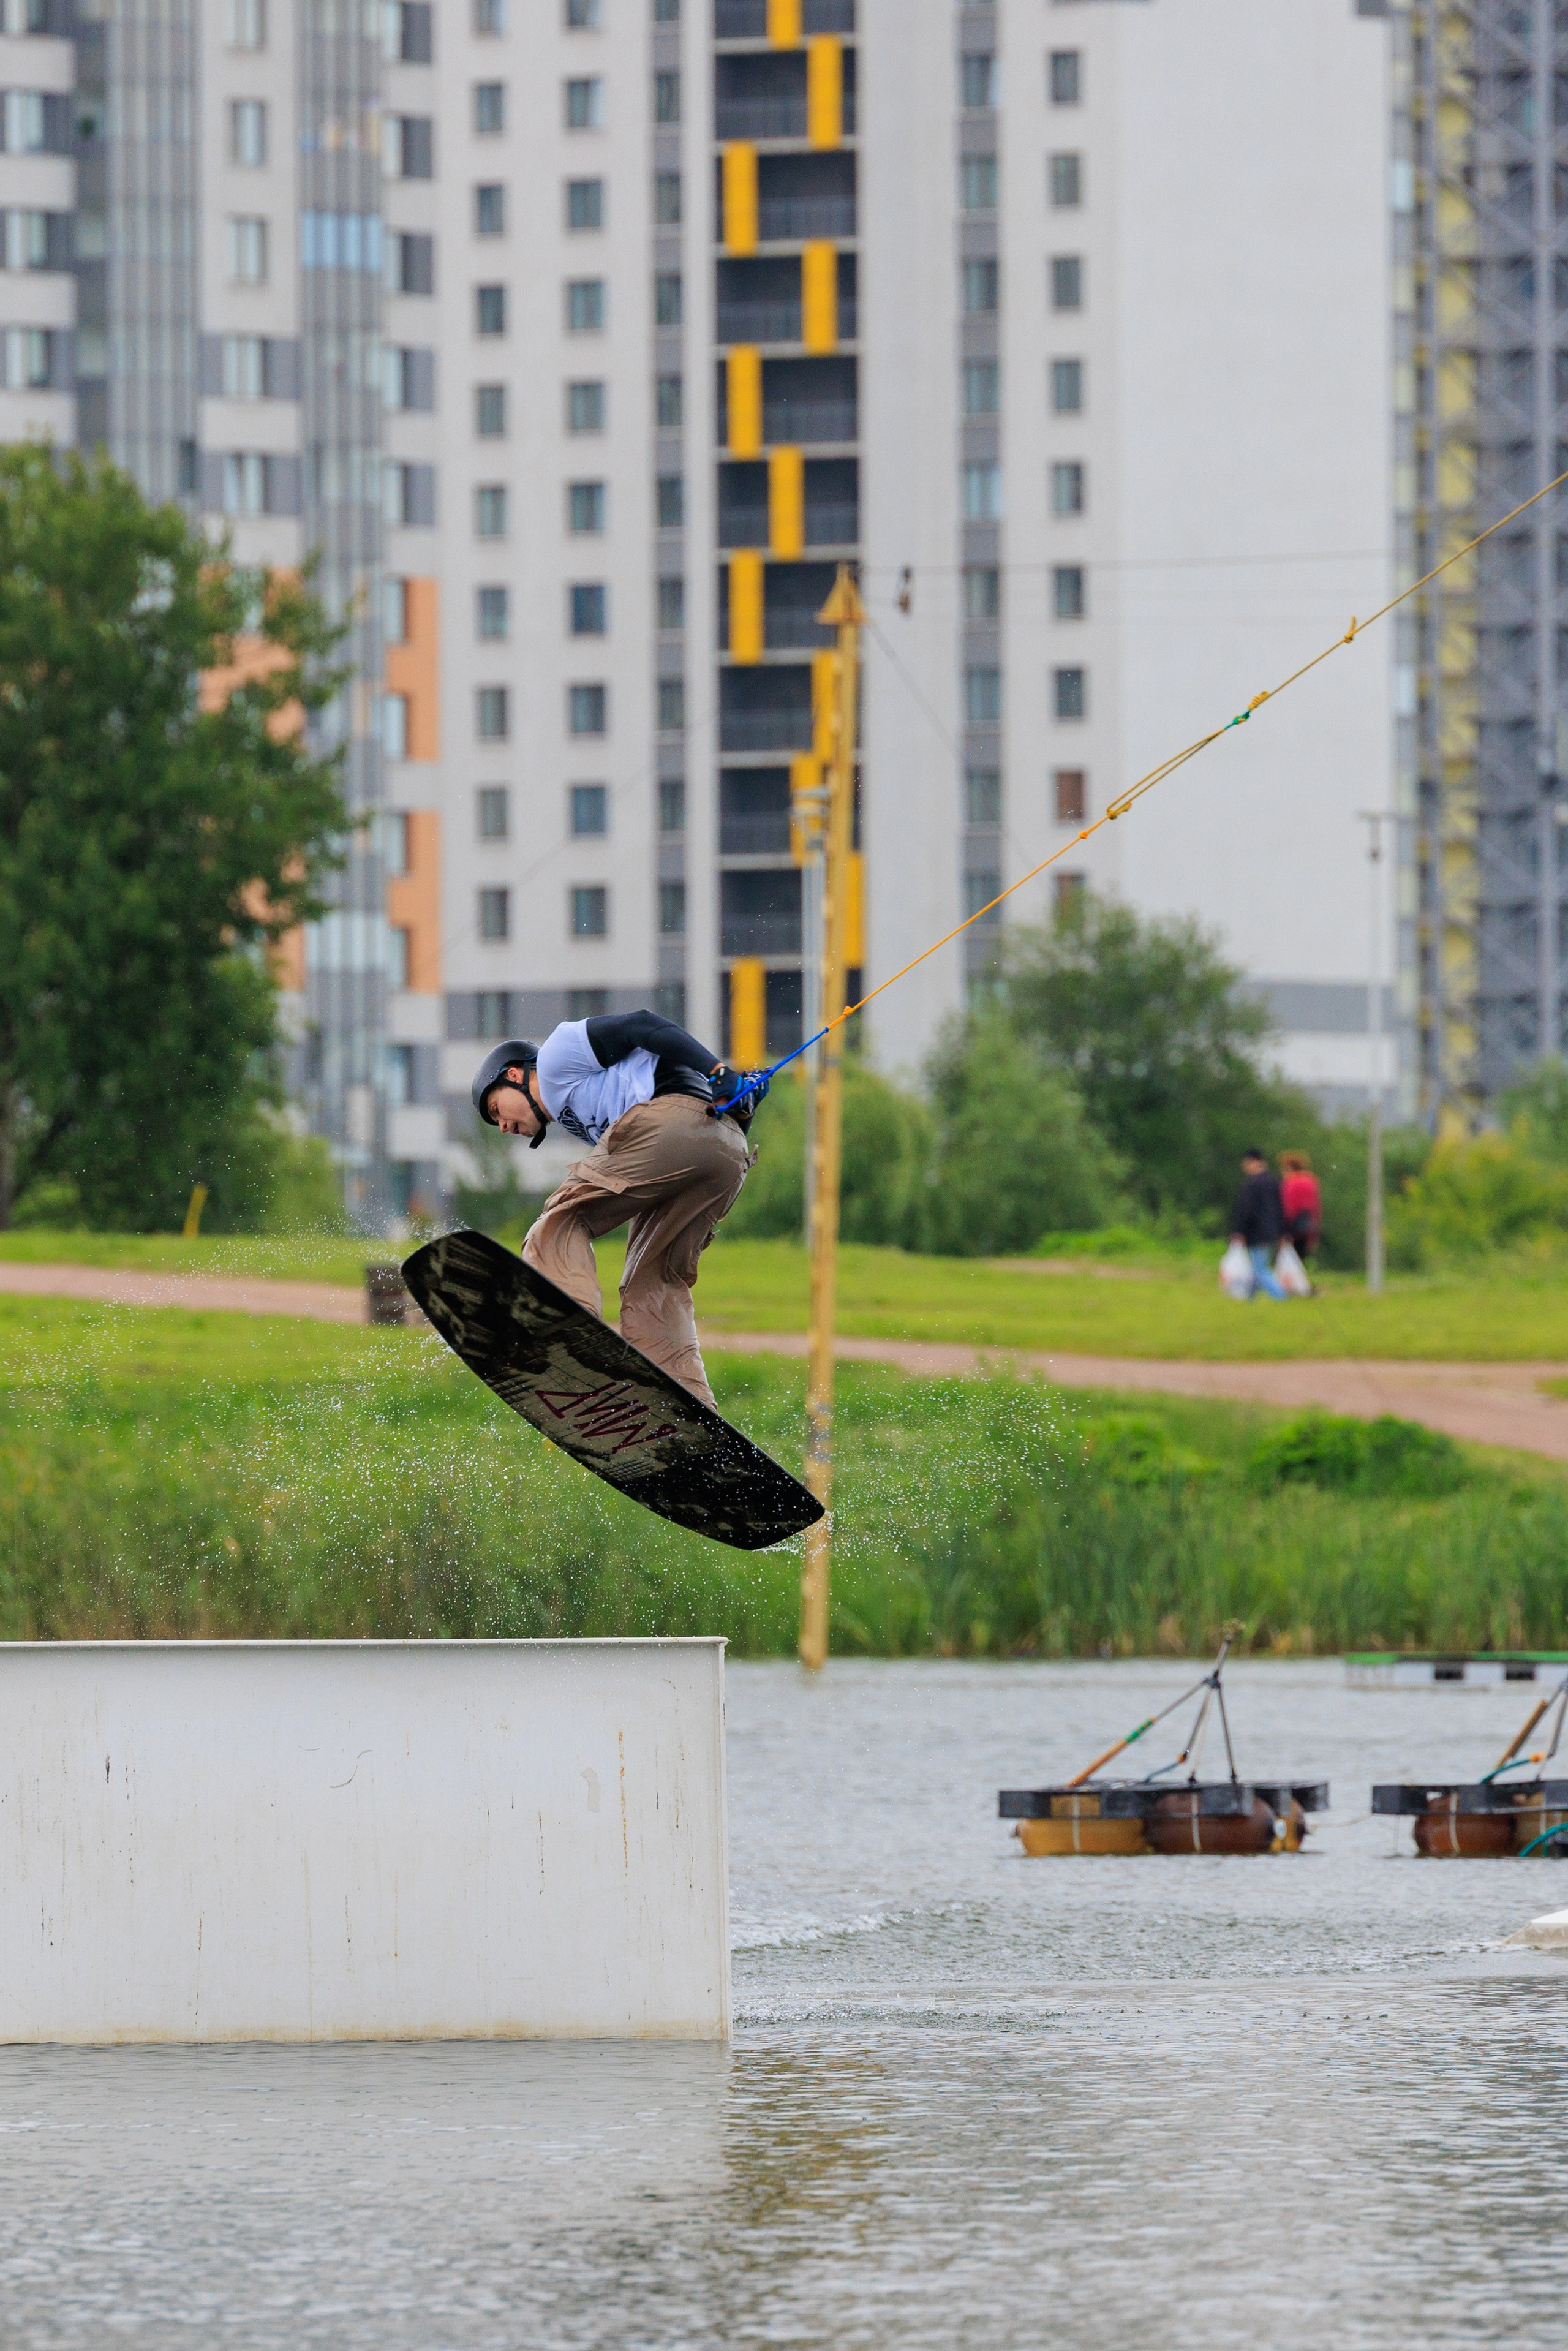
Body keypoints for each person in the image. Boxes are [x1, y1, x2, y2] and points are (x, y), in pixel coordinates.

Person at [470, 1010, 766, 1413]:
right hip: (726, 1153)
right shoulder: (577, 1111)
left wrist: (716, 1070)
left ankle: (569, 1340)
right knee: (654, 1283)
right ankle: (688, 1414)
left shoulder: (556, 1057)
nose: (502, 1126)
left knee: (561, 1221)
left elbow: (641, 1025)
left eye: (495, 1109)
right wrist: (741, 1099)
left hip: (678, 1127)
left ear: (516, 1075)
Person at [1228, 1148, 1288, 1301]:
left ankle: (1281, 1296)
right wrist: (1282, 1232)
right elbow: (1281, 1209)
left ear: (1252, 1162)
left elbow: (1246, 1211)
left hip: (1256, 1232)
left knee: (1260, 1269)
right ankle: (1250, 1299)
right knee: (1256, 1267)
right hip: (1272, 1231)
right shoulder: (1273, 1182)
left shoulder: (1252, 1184)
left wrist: (1239, 1231)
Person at [1278, 1150, 1322, 1267]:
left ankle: (1295, 1284)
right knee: (1300, 1259)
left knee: (1288, 1260)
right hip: (1308, 1226)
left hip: (1293, 1226)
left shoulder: (1291, 1182)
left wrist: (1283, 1228)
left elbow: (1289, 1207)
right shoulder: (1311, 1180)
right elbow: (1316, 1207)